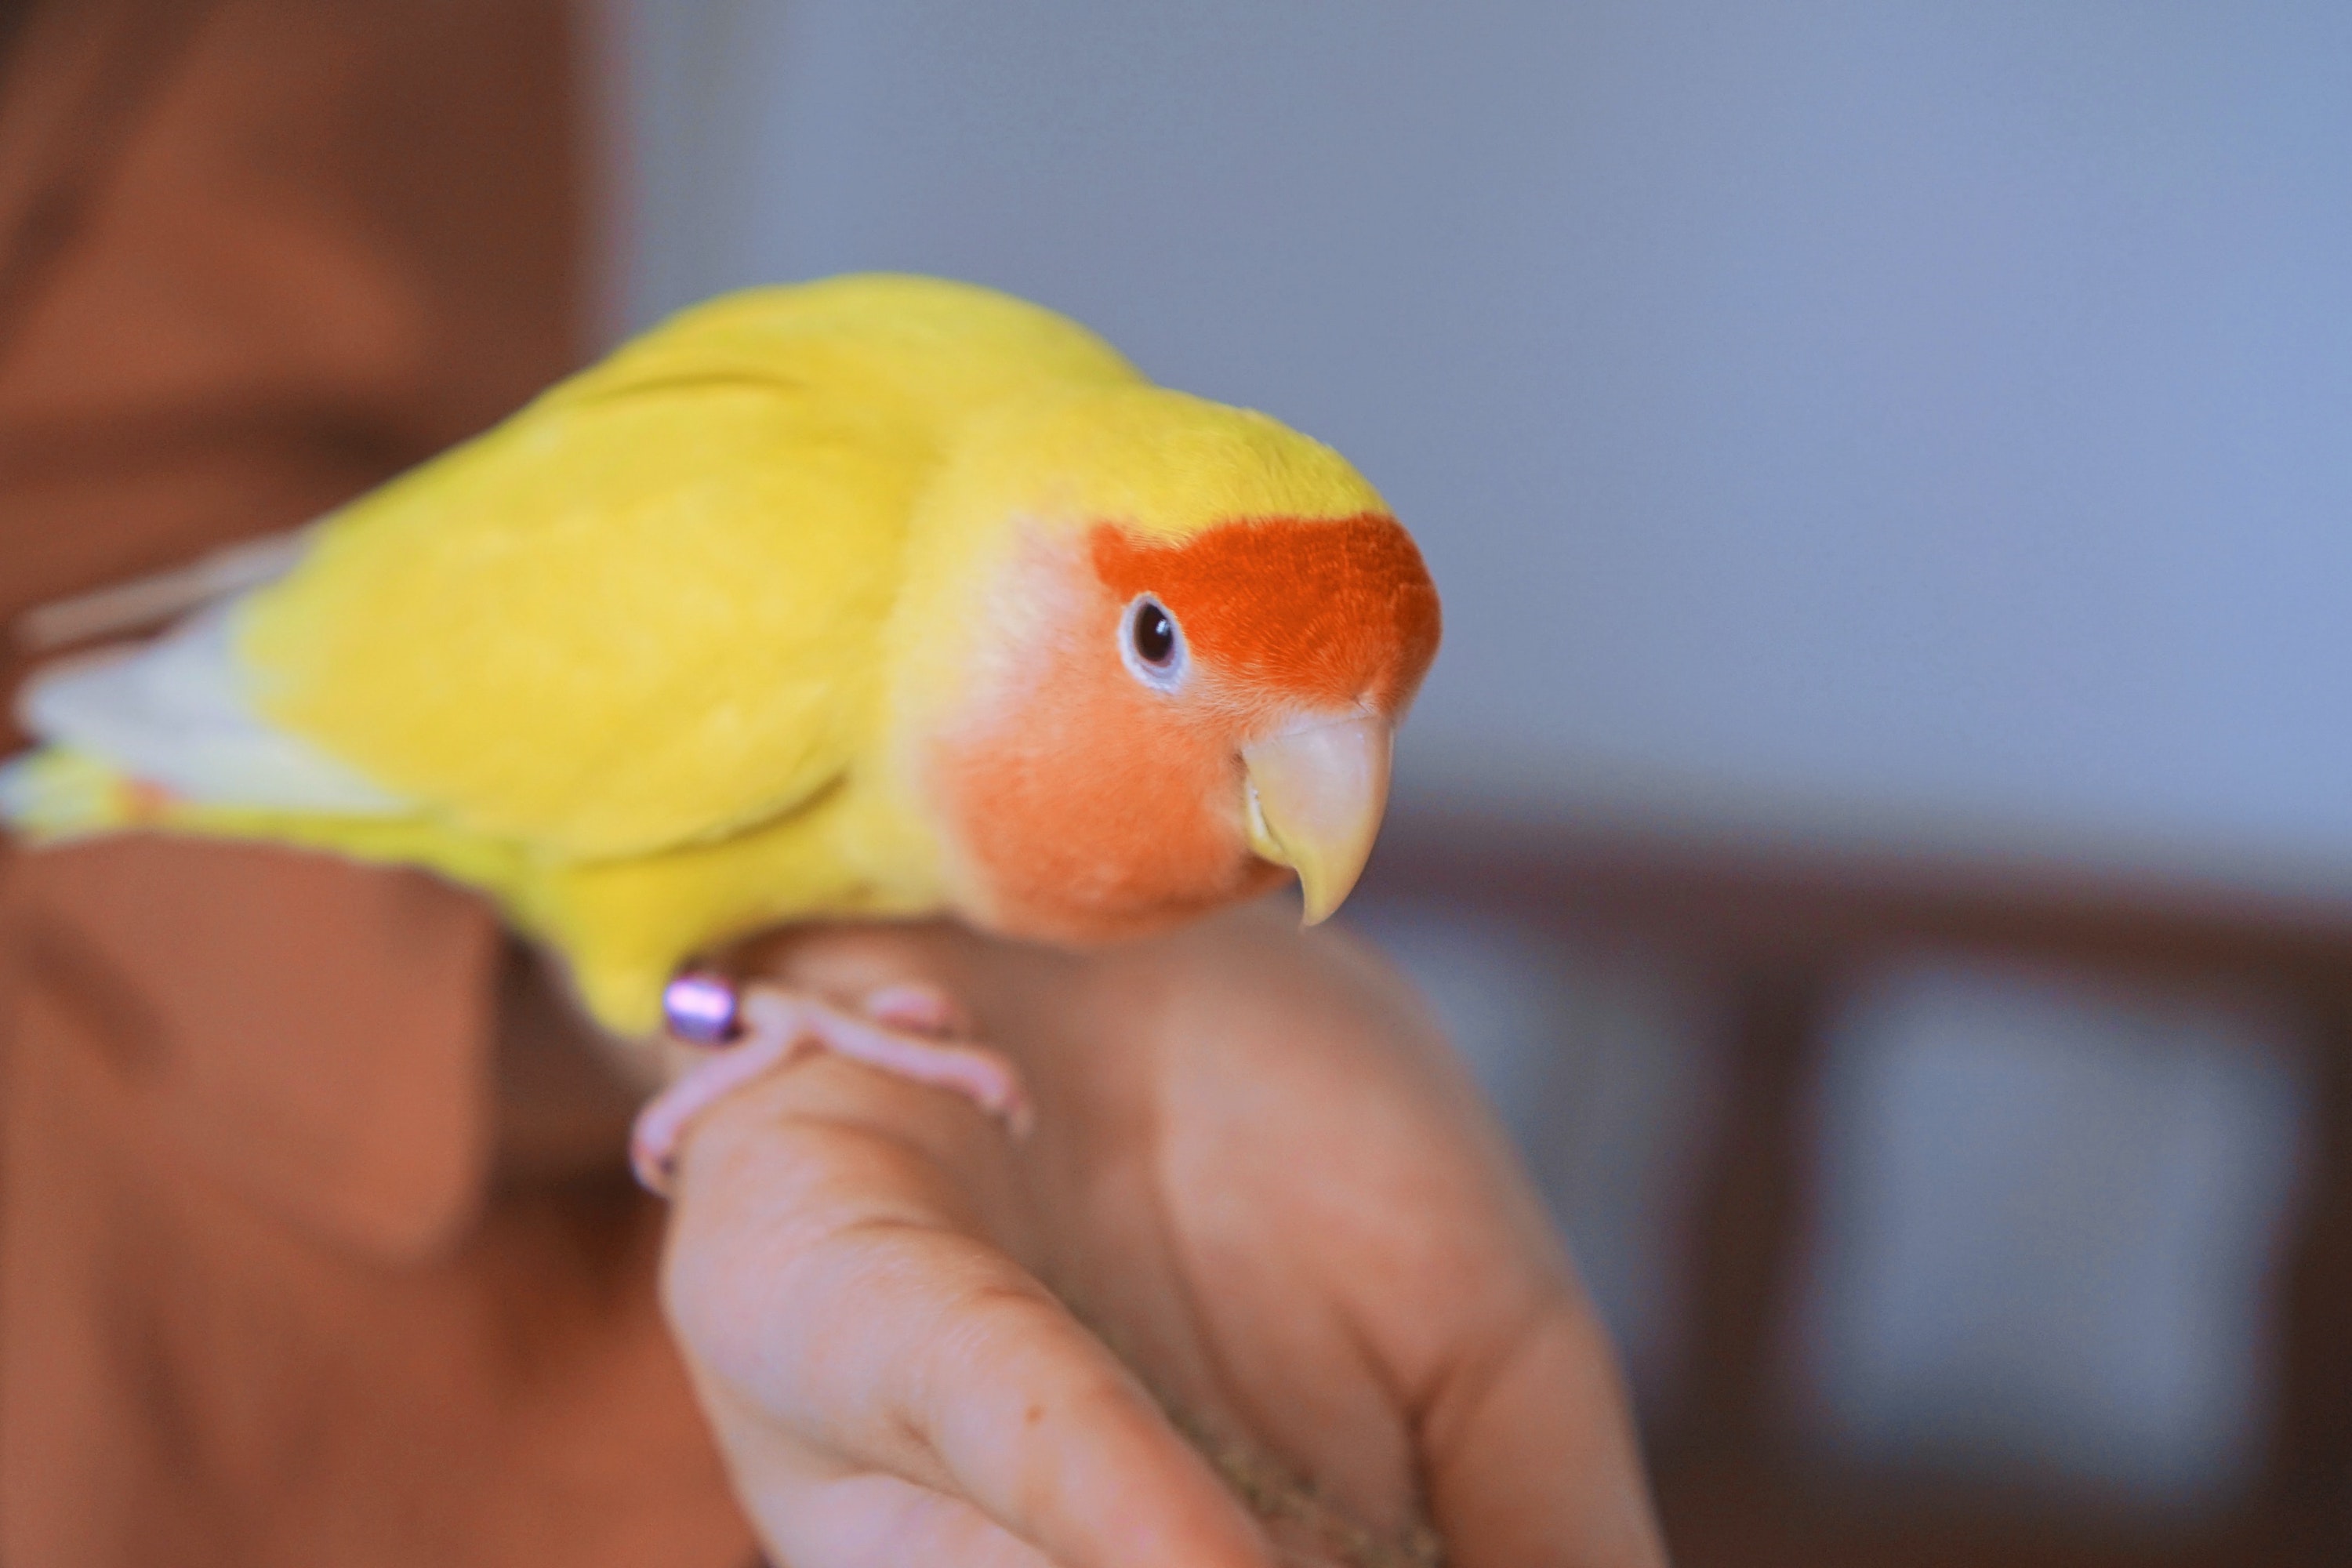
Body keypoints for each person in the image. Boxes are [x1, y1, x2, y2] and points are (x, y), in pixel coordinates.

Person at [0, 2, 1665, 1563]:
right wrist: (729, 1015)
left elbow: (219, 427)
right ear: (1051, 581)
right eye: (1157, 639)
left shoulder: (1046, 430)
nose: (1317, 781)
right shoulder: (804, 595)